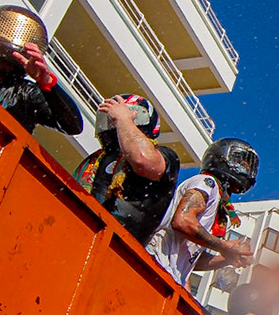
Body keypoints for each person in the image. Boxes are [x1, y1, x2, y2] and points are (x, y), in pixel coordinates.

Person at [150, 136, 260, 283]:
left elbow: (193, 260)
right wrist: (225, 246)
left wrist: (228, 258)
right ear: (223, 157)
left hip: (167, 275)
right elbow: (182, 221)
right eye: (243, 165)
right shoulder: (207, 183)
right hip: (153, 263)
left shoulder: (219, 204)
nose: (248, 171)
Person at [0, 6, 83, 138]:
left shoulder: (24, 93)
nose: (5, 67)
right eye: (1, 61)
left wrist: (47, 83)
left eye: (9, 63)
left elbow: (73, 126)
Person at [76, 92, 176, 244]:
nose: (111, 124)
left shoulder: (165, 155)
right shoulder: (96, 160)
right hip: (79, 232)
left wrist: (124, 119)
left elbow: (144, 160)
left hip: (118, 247)